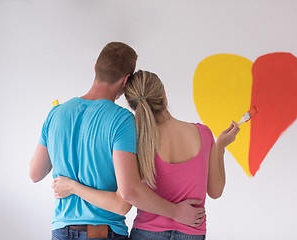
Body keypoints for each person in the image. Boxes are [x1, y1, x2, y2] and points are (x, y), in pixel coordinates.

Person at [29, 43, 204, 240]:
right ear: (126, 80)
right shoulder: (122, 120)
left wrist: (71, 184)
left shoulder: (56, 113)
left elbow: (35, 174)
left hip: (61, 231)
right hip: (103, 233)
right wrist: (176, 212)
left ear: (95, 68)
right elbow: (122, 204)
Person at [52, 70, 240, 239]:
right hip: (192, 231)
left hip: (147, 233)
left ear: (134, 105)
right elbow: (215, 191)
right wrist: (220, 147)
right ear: (164, 95)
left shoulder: (136, 139)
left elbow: (129, 192)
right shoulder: (204, 134)